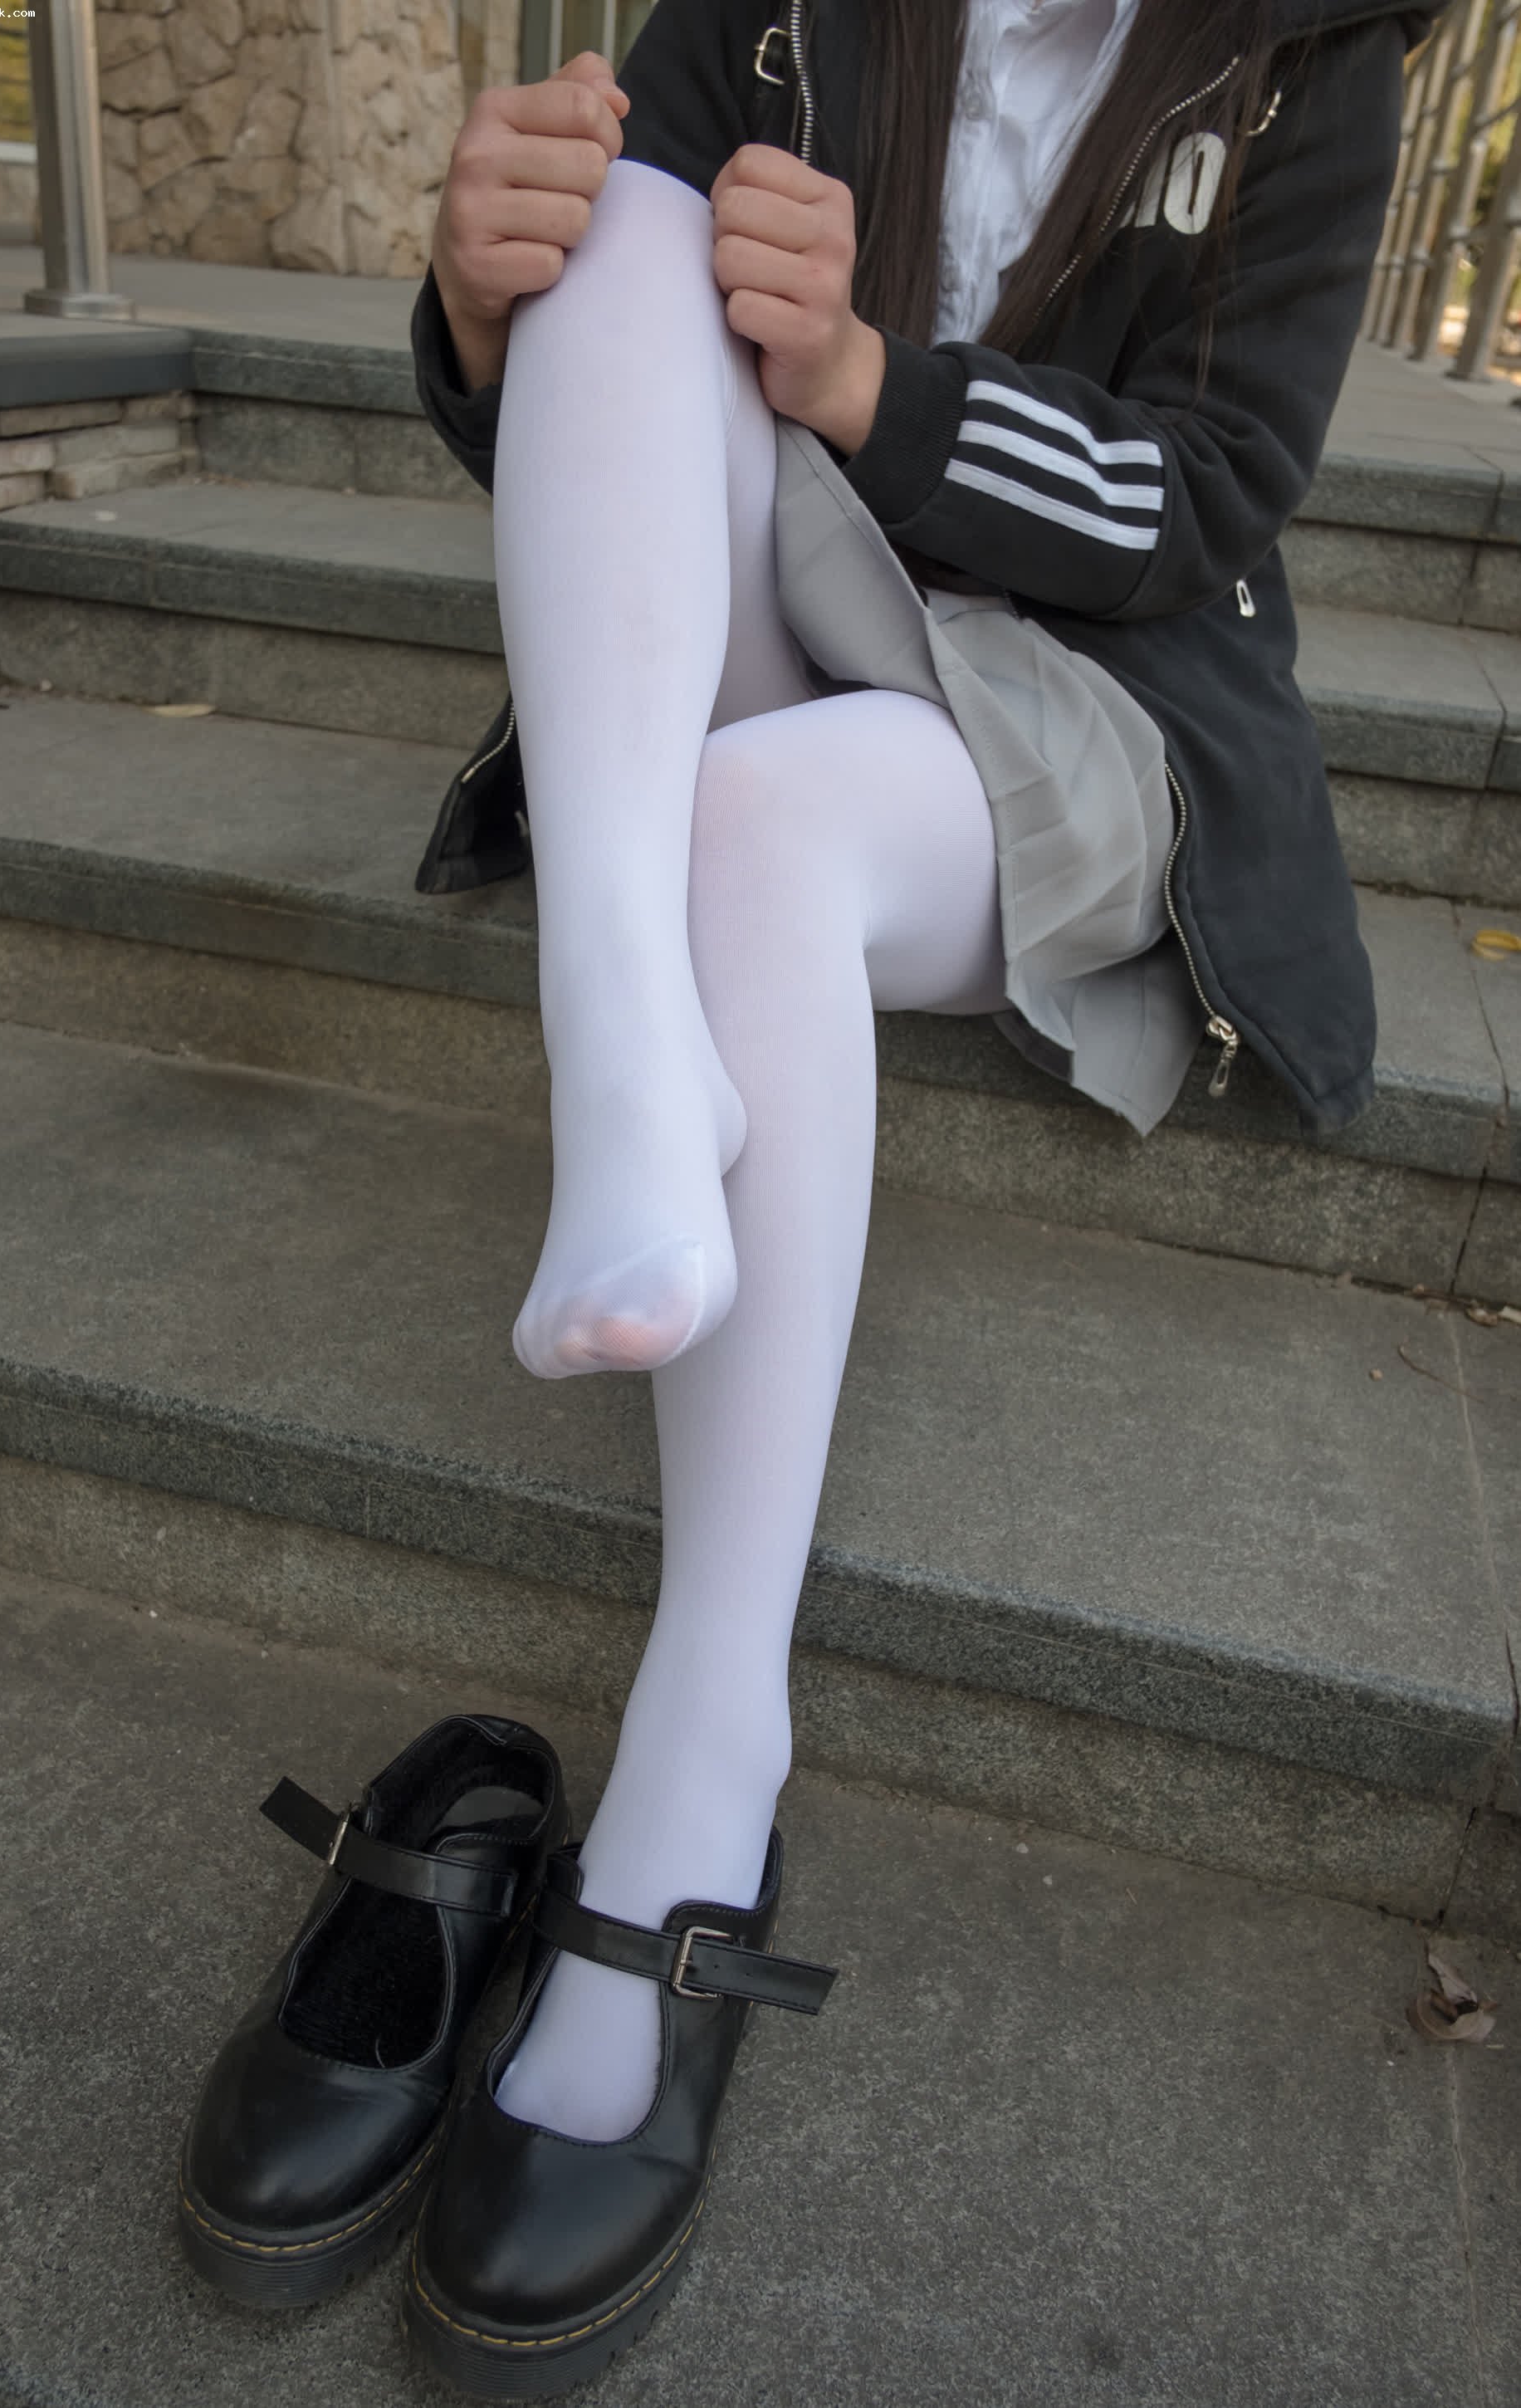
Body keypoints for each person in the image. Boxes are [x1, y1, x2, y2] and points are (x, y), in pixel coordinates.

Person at [174, 0, 1445, 2394]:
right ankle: (627, 1034)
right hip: (801, 597)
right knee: (629, 219)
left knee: (754, 825)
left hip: (1092, 698)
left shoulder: (1307, 51)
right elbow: (616, 409)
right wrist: (483, 308)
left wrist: (871, 385)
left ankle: (706, 1749)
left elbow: (1213, 496)